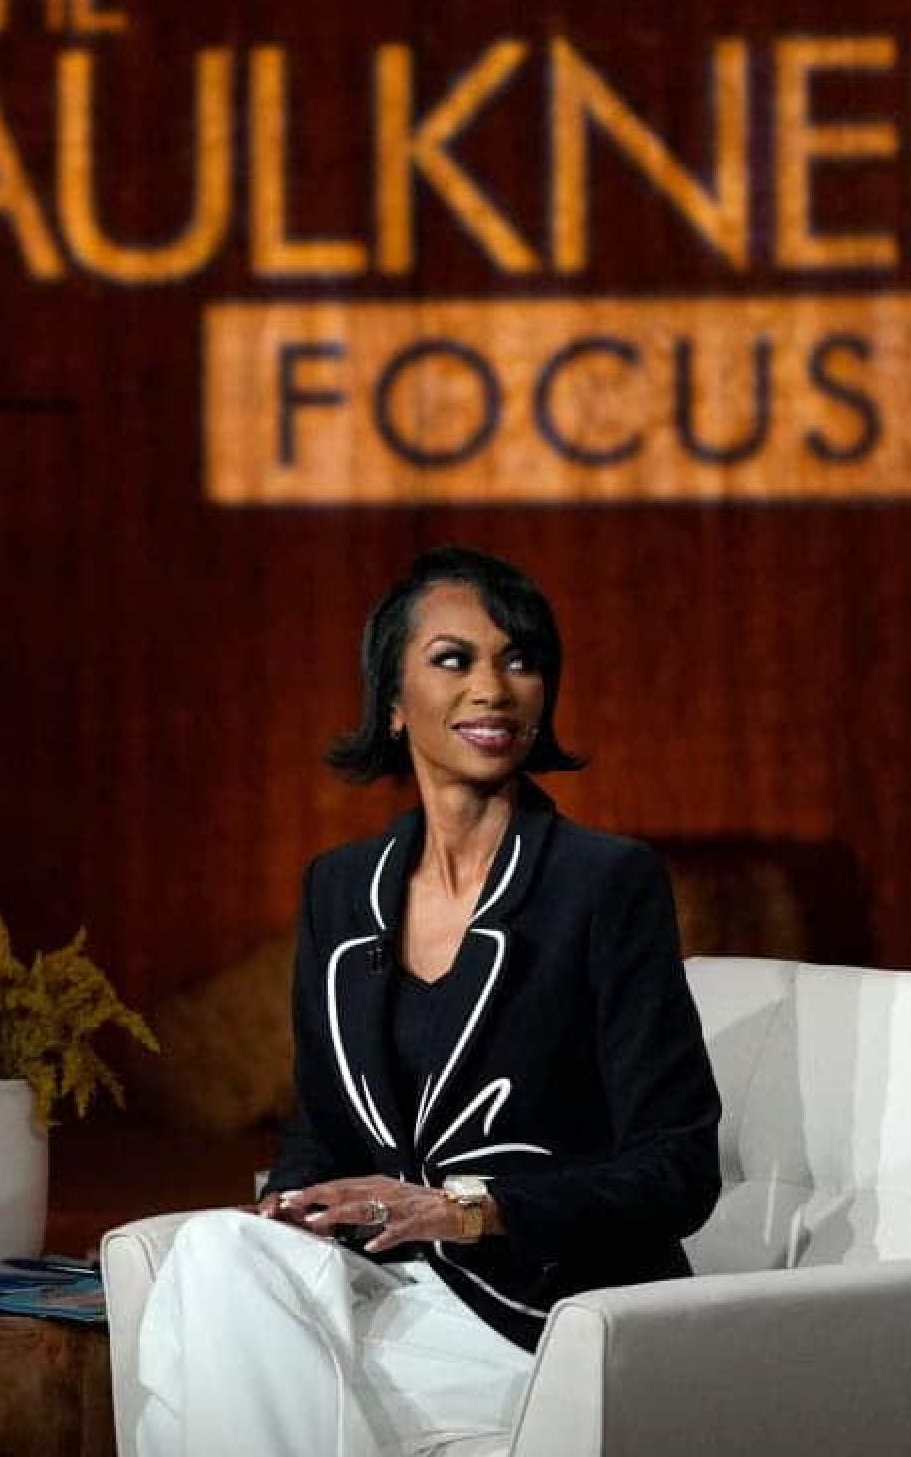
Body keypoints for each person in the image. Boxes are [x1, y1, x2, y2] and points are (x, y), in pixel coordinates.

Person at [134, 547, 721, 1456]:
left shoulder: (606, 884)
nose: (493, 686)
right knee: (217, 1255)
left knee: (206, 1371)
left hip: (537, 1309)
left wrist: (468, 1209)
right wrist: (296, 1210)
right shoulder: (340, 888)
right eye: (454, 660)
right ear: (395, 702)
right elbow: (321, 1130)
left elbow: (679, 1167)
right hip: (388, 1292)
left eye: (519, 660)